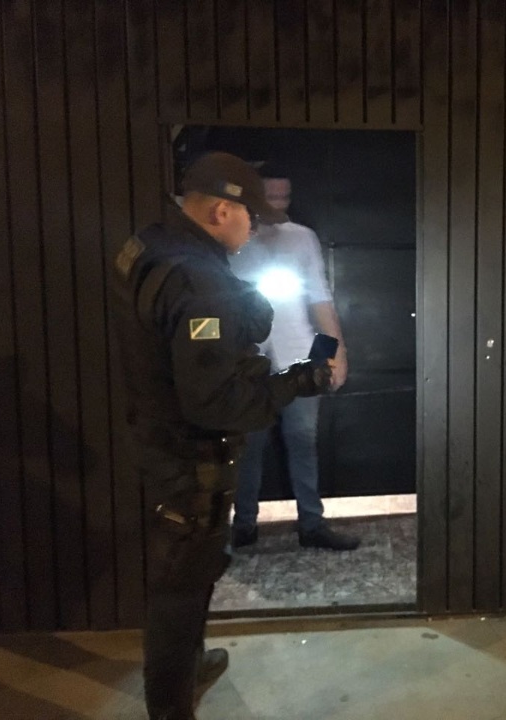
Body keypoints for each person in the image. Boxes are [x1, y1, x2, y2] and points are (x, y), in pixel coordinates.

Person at [109, 151, 333, 720]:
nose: (254, 228)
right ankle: (171, 708)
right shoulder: (201, 280)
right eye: (249, 216)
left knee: (190, 572)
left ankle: (190, 665)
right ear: (221, 211)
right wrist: (293, 383)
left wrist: (244, 317)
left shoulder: (153, 243)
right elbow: (216, 402)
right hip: (190, 454)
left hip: (157, 433)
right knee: (181, 587)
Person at [229, 163, 359, 551]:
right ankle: (244, 524)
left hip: (298, 357)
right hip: (249, 363)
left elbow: (319, 300)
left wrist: (335, 355)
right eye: (271, 195)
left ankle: (311, 524)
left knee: (303, 441)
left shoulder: (302, 238)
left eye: (283, 196)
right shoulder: (234, 239)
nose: (277, 203)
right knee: (248, 447)